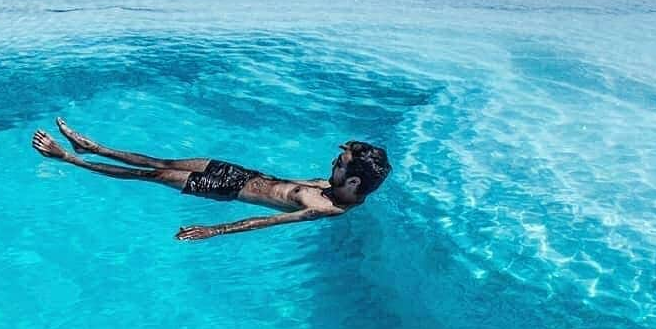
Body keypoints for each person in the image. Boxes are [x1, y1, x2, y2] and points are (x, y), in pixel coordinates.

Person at [32, 118, 391, 242]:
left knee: (151, 175)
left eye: (341, 164)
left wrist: (213, 230)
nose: (333, 163)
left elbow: (265, 221)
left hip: (229, 188)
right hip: (240, 173)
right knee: (164, 161)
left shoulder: (326, 208)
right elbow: (279, 181)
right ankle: (93, 147)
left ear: (355, 183)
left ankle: (67, 157)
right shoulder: (325, 184)